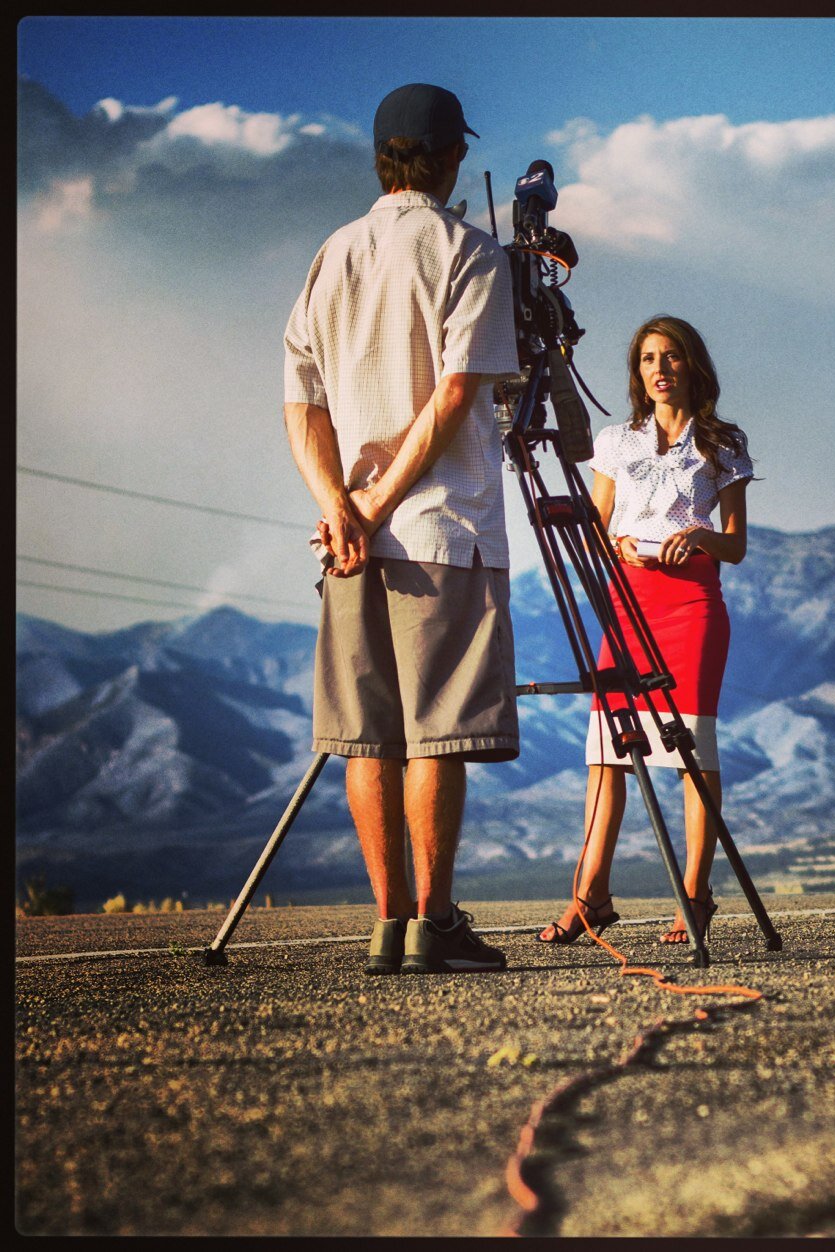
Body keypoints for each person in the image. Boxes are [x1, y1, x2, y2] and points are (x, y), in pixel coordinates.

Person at [283, 83, 521, 975]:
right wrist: (377, 508)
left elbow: (299, 400)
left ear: (381, 157)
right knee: (434, 734)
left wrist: (339, 509)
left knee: (366, 735)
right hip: (437, 530)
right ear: (453, 155)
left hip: (347, 540)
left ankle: (386, 925)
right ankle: (433, 921)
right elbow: (458, 396)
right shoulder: (469, 251)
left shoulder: (333, 253)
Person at [537, 315, 753, 948]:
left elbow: (736, 546)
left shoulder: (722, 442)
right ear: (638, 372)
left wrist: (701, 536)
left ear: (692, 366)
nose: (659, 369)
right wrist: (619, 543)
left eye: (671, 356)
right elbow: (594, 528)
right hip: (627, 604)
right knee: (609, 752)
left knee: (691, 752)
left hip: (693, 603)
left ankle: (695, 895)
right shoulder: (616, 440)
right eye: (648, 359)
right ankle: (591, 897)